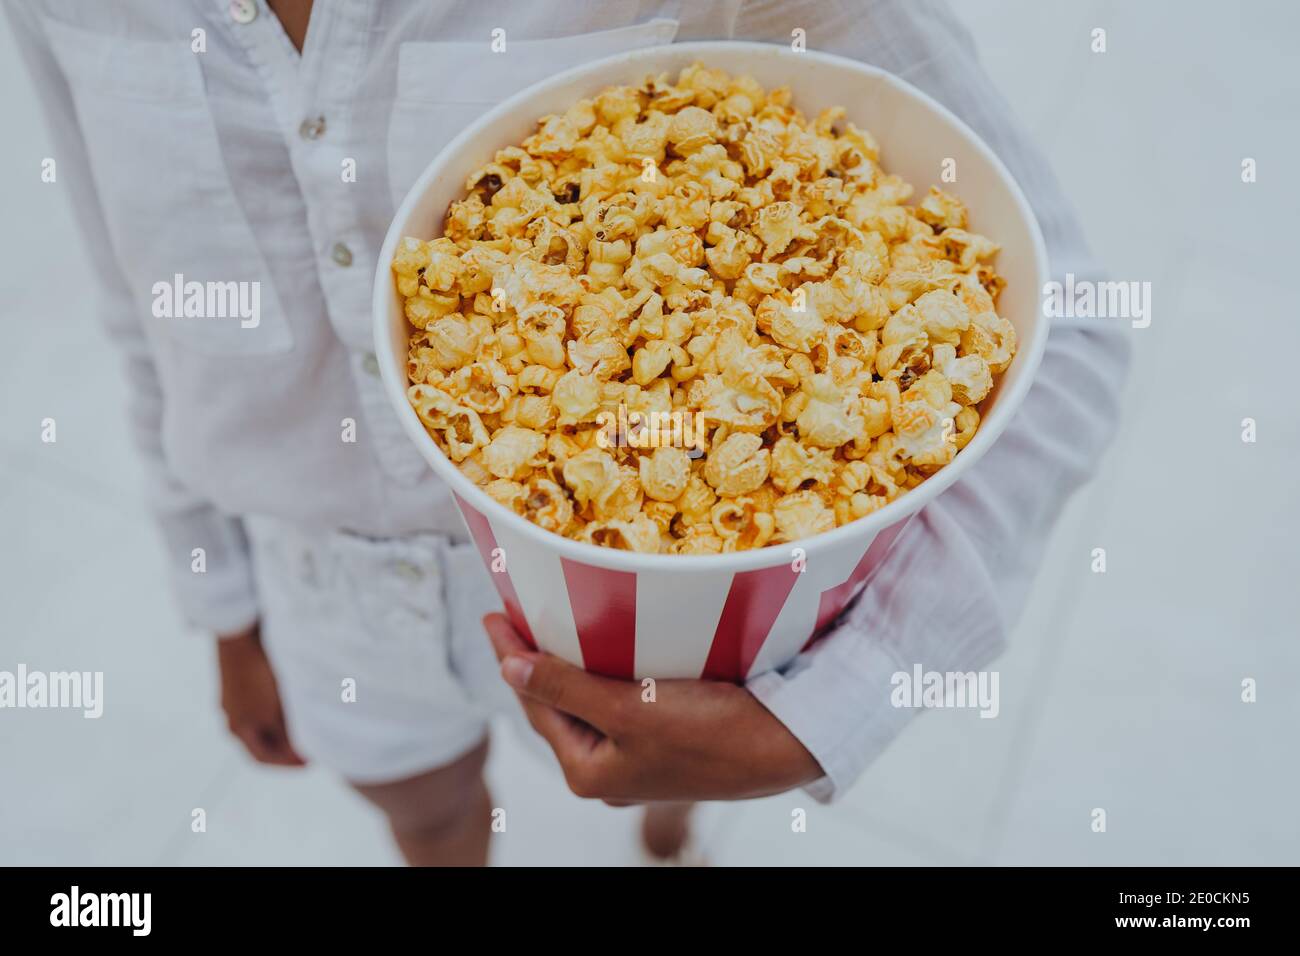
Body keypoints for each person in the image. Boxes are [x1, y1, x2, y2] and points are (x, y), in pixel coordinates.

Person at [7, 0, 1128, 865]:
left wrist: (819, 713)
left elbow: (1060, 322)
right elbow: (140, 311)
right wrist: (222, 606)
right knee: (427, 812)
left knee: (664, 769)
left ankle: (669, 833)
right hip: (316, 584)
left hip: (669, 592)